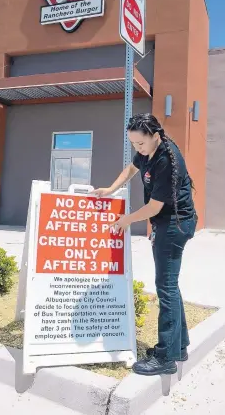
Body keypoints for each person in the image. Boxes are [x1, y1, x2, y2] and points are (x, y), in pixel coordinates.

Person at [93, 113, 197, 376]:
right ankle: (179, 346)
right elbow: (131, 168)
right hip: (167, 223)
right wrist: (111, 189)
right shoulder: (147, 151)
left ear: (155, 137)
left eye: (140, 144)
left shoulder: (166, 160)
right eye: (133, 144)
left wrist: (126, 220)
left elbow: (154, 207)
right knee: (169, 285)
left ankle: (166, 357)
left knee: (166, 288)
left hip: (175, 225)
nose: (137, 149)